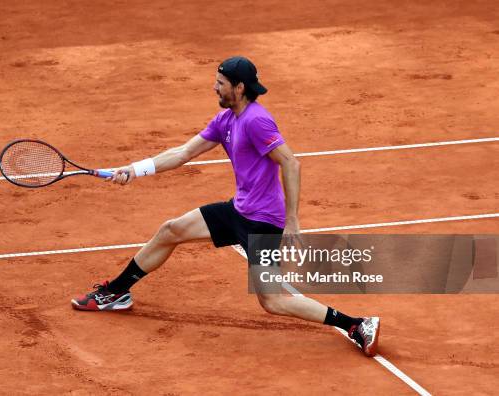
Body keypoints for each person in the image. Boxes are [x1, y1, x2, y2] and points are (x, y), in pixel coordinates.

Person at [71, 56, 380, 357]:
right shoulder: (226, 120)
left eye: (220, 83)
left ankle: (355, 324)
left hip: (263, 223)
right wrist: (134, 169)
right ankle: (117, 292)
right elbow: (183, 152)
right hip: (238, 211)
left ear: (240, 87)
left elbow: (291, 163)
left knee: (272, 302)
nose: (214, 88)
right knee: (171, 230)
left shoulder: (257, 120)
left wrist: (293, 221)